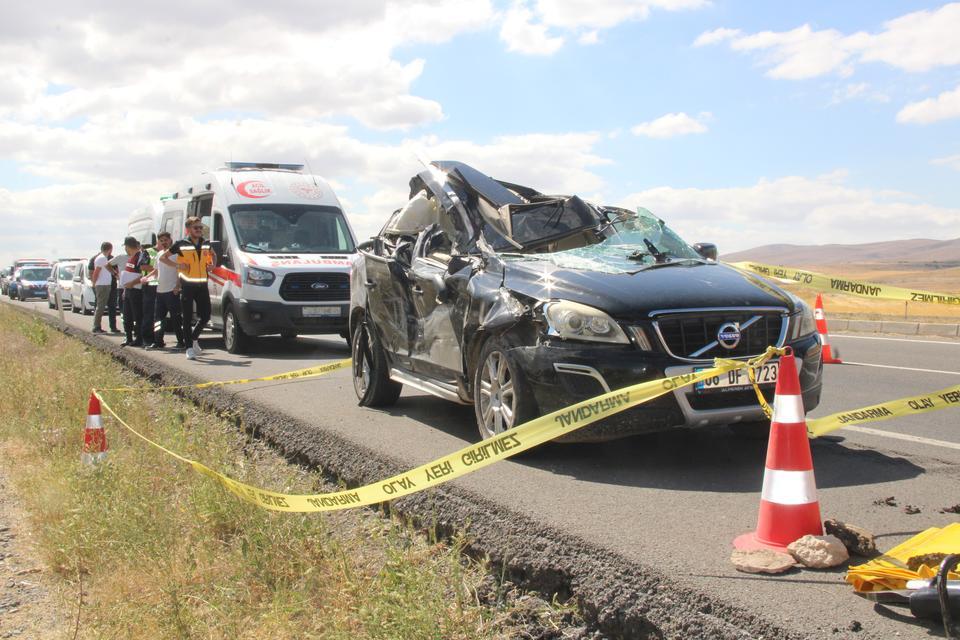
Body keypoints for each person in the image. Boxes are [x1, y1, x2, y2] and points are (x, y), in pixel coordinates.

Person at [164, 217, 215, 360]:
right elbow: (164, 258)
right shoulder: (181, 244)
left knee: (205, 316)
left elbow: (213, 256)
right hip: (187, 285)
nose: (199, 230)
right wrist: (178, 266)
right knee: (186, 318)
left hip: (202, 284)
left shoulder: (206, 243)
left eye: (200, 227)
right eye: (196, 228)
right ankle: (188, 348)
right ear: (189, 229)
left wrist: (212, 264)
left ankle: (193, 339)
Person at [142, 231, 184, 350]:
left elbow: (181, 272)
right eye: (161, 241)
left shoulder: (176, 254)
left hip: (172, 291)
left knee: (176, 319)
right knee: (158, 319)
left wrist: (177, 286)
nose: (164, 242)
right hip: (160, 291)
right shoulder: (159, 254)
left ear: (170, 240)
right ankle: (158, 341)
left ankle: (181, 342)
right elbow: (156, 271)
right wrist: (147, 277)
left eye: (166, 240)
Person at [117, 237, 144, 347]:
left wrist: (132, 283)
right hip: (128, 290)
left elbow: (144, 274)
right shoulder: (131, 258)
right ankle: (128, 337)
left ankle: (139, 338)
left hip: (136, 290)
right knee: (126, 315)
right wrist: (125, 289)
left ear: (127, 246)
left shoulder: (140, 257)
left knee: (137, 316)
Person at [90, 242, 114, 333]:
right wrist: (94, 282)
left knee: (101, 306)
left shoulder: (102, 258)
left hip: (104, 284)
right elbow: (96, 272)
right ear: (110, 249)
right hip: (102, 285)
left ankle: (97, 326)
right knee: (100, 306)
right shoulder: (102, 258)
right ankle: (96, 326)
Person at [139, 241, 159, 346]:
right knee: (149, 314)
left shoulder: (167, 252)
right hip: (150, 286)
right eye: (162, 240)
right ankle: (147, 339)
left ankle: (158, 339)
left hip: (161, 286)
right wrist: (160, 269)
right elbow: (143, 266)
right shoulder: (148, 252)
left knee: (159, 315)